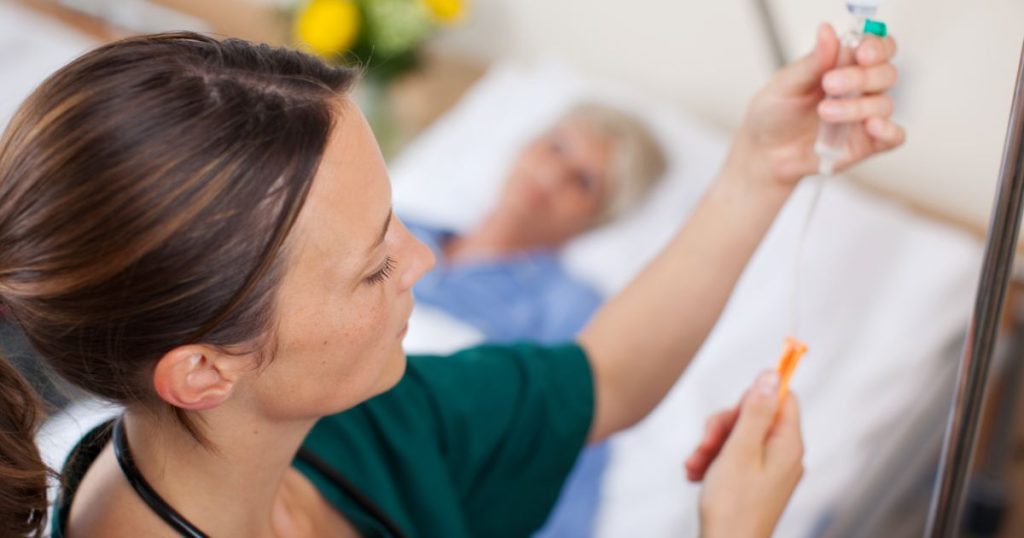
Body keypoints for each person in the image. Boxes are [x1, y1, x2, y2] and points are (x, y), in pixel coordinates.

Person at [0, 21, 901, 538]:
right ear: (204, 370)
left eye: (396, 218)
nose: (422, 261)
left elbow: (605, 379)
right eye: (373, 267)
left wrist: (760, 166)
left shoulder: (352, 428)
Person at [406, 103, 666, 537]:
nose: (552, 175)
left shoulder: (572, 311)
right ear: (525, 146)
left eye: (583, 181)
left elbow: (569, 457)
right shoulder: (398, 226)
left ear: (598, 217)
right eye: (557, 148)